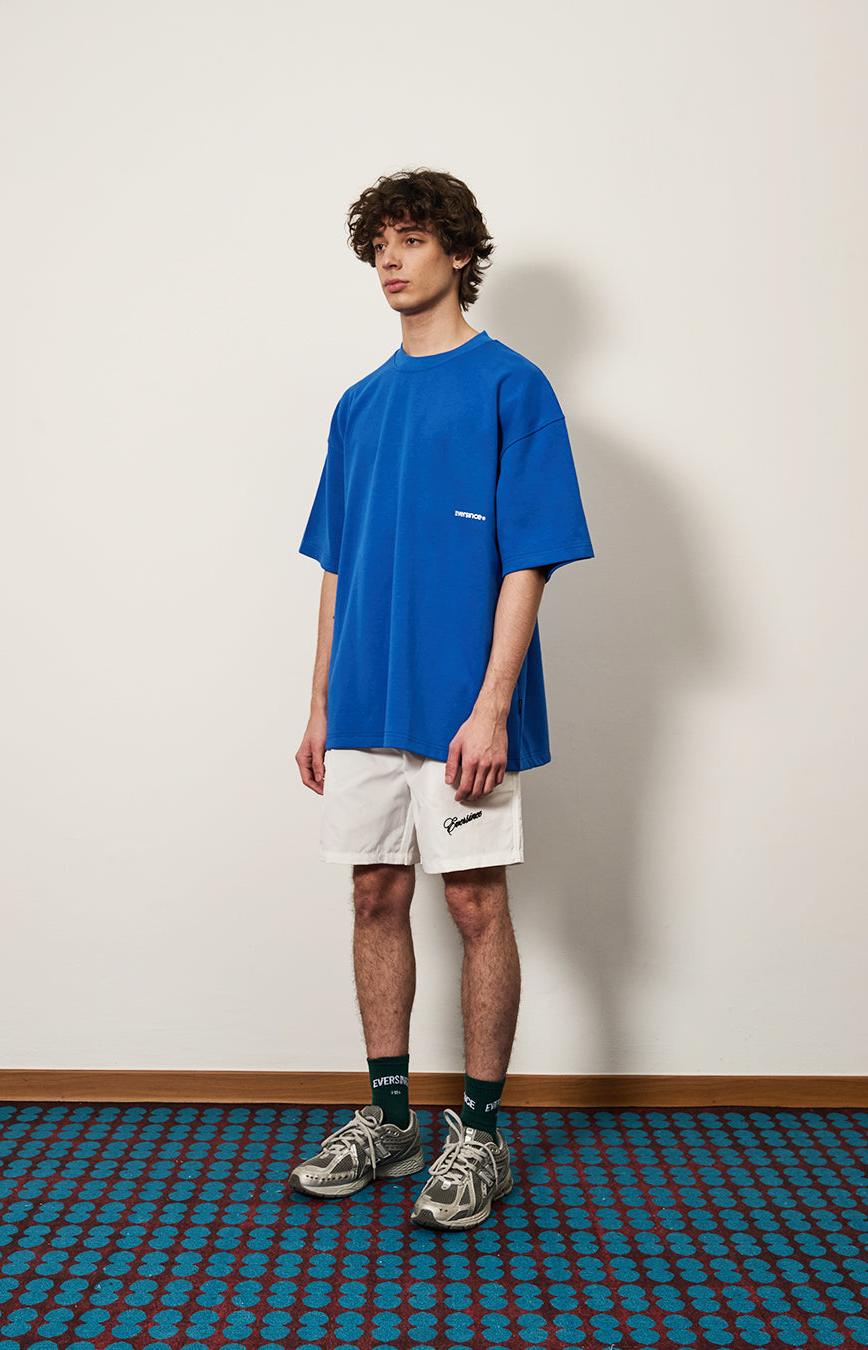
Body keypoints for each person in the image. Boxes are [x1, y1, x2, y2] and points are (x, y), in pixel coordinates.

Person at [290, 168, 593, 1230]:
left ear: (460, 252)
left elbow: (531, 559)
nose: (390, 258)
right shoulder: (360, 403)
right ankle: (390, 1121)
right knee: (374, 893)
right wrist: (320, 703)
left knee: (472, 902)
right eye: (378, 242)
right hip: (365, 701)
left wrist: (493, 705)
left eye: (411, 239)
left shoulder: (514, 387)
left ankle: (482, 1136)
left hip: (464, 701)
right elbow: (336, 565)